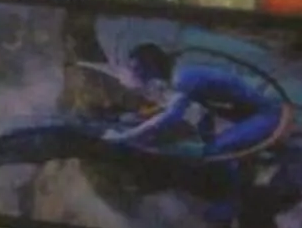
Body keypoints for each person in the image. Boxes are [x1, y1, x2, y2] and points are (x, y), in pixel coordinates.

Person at [101, 42, 289, 161]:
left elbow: (169, 117)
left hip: (267, 115)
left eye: (136, 69)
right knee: (204, 131)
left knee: (212, 150)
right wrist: (138, 117)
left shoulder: (183, 79)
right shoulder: (178, 74)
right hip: (241, 111)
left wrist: (124, 136)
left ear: (150, 66)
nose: (134, 74)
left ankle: (232, 200)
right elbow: (171, 107)